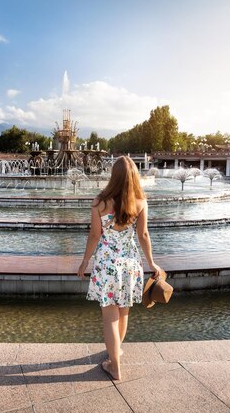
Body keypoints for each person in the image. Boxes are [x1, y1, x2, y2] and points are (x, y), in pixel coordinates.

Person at [77, 156, 163, 381]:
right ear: (134, 176)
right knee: (123, 311)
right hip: (130, 265)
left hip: (107, 266)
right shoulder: (140, 202)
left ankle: (114, 366)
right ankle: (116, 352)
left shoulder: (100, 202)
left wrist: (85, 261)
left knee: (109, 317)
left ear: (113, 176)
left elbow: (95, 235)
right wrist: (152, 263)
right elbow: (143, 235)